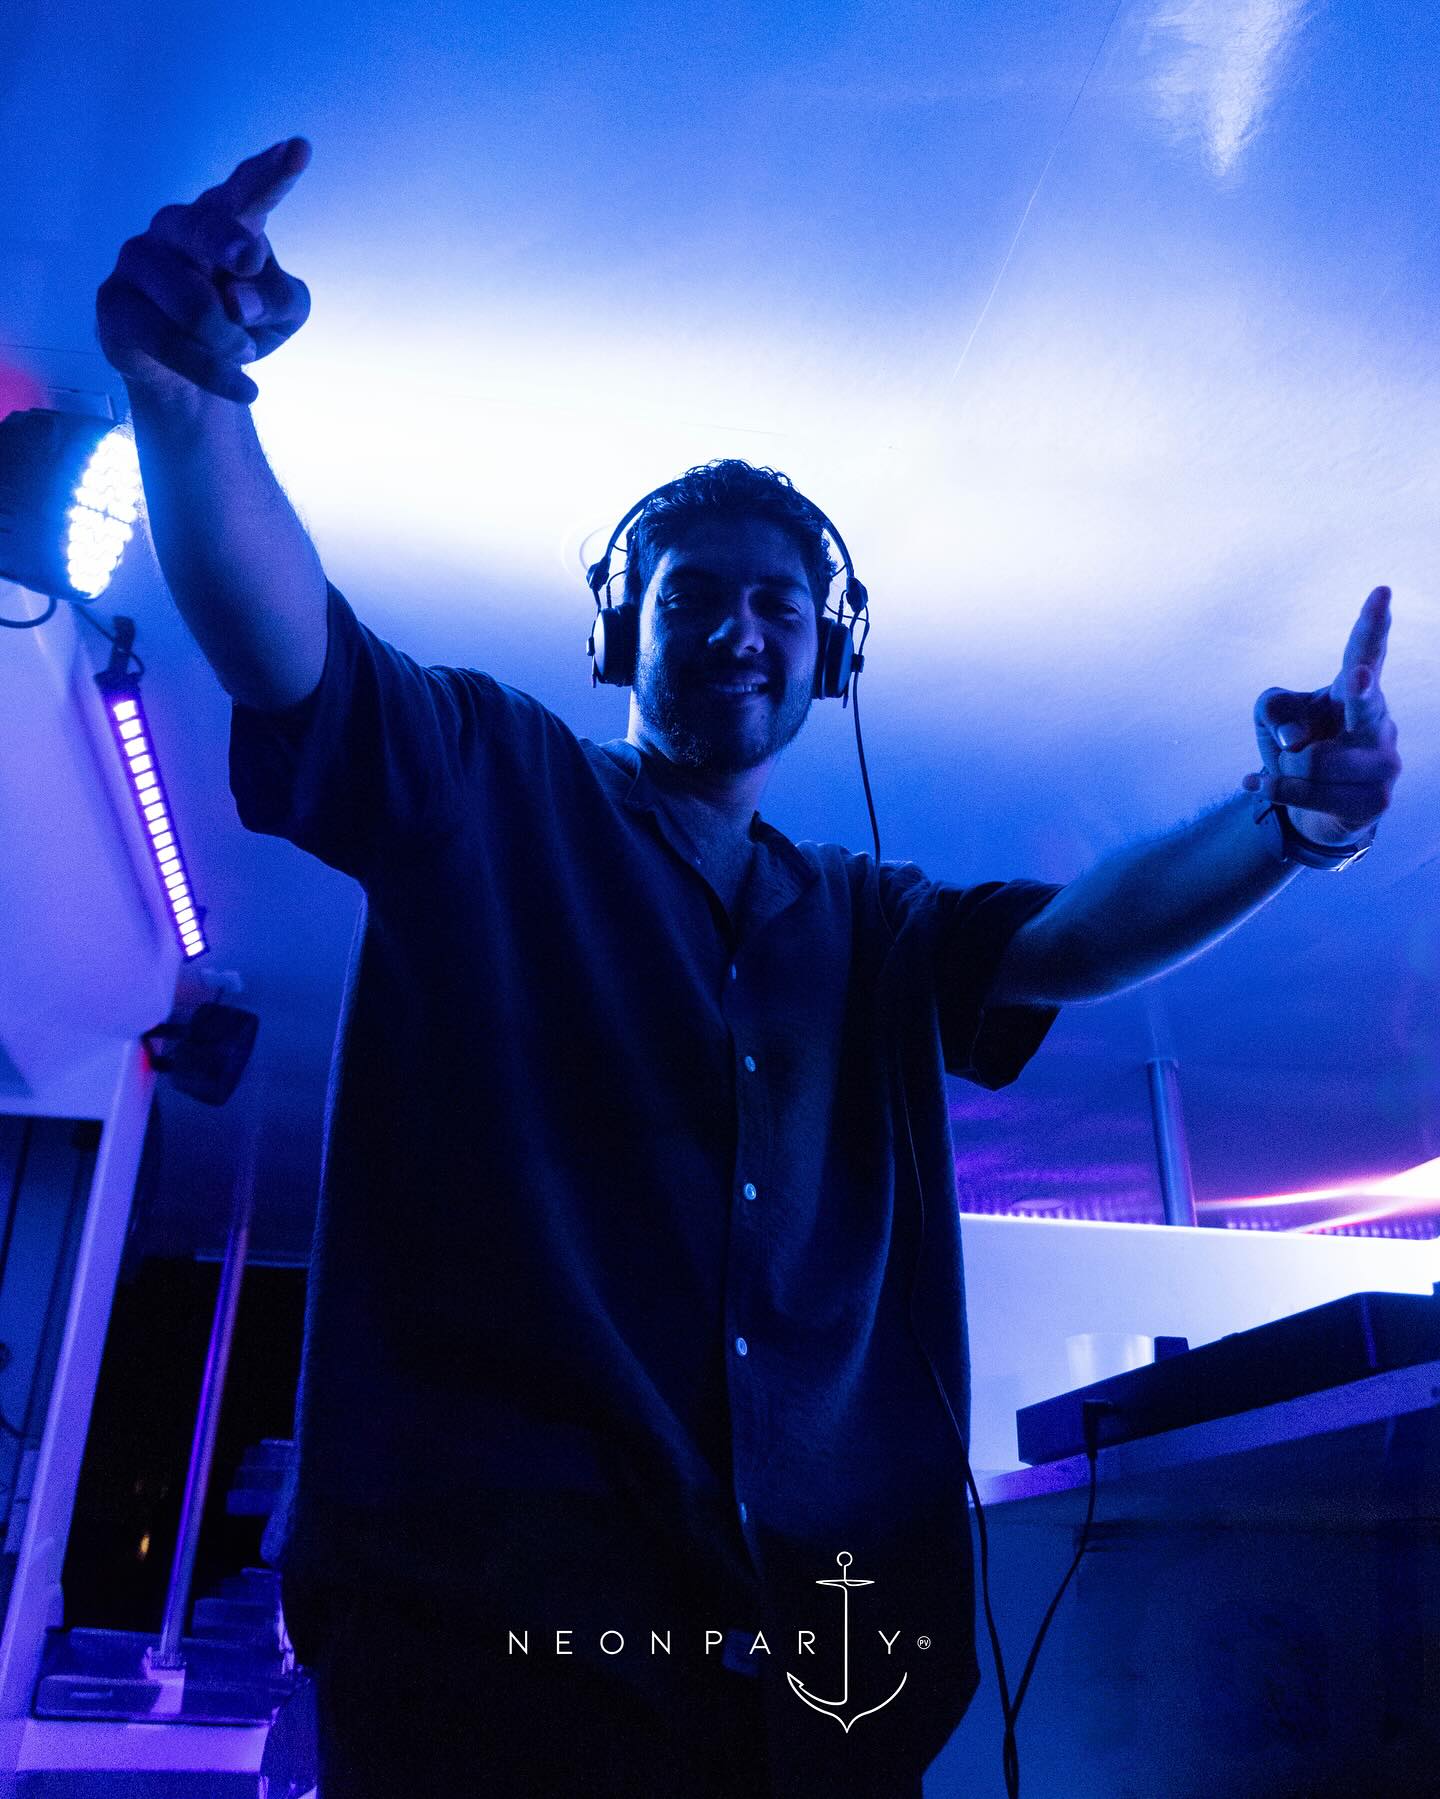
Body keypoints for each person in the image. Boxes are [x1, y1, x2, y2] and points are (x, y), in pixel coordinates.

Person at [96, 138, 1402, 1798]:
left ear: (830, 653)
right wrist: (191, 405)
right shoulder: (489, 779)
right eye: (693, 597)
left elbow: (1076, 938)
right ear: (617, 633)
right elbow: (293, 651)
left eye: (782, 607)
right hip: (489, 1657)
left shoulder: (868, 918)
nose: (740, 631)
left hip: (823, 1679)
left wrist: (1287, 823)